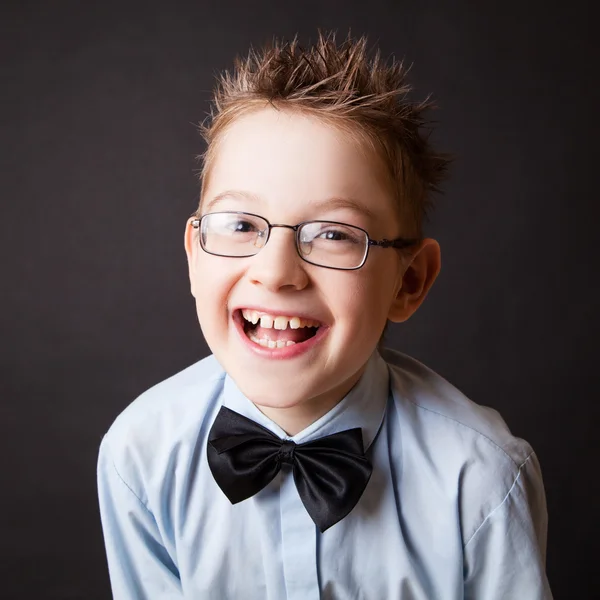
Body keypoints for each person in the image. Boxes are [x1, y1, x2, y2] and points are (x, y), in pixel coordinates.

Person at [97, 31, 552, 599]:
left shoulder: (481, 477)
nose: (276, 271)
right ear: (194, 256)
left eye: (334, 234)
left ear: (408, 282)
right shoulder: (139, 452)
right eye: (240, 225)